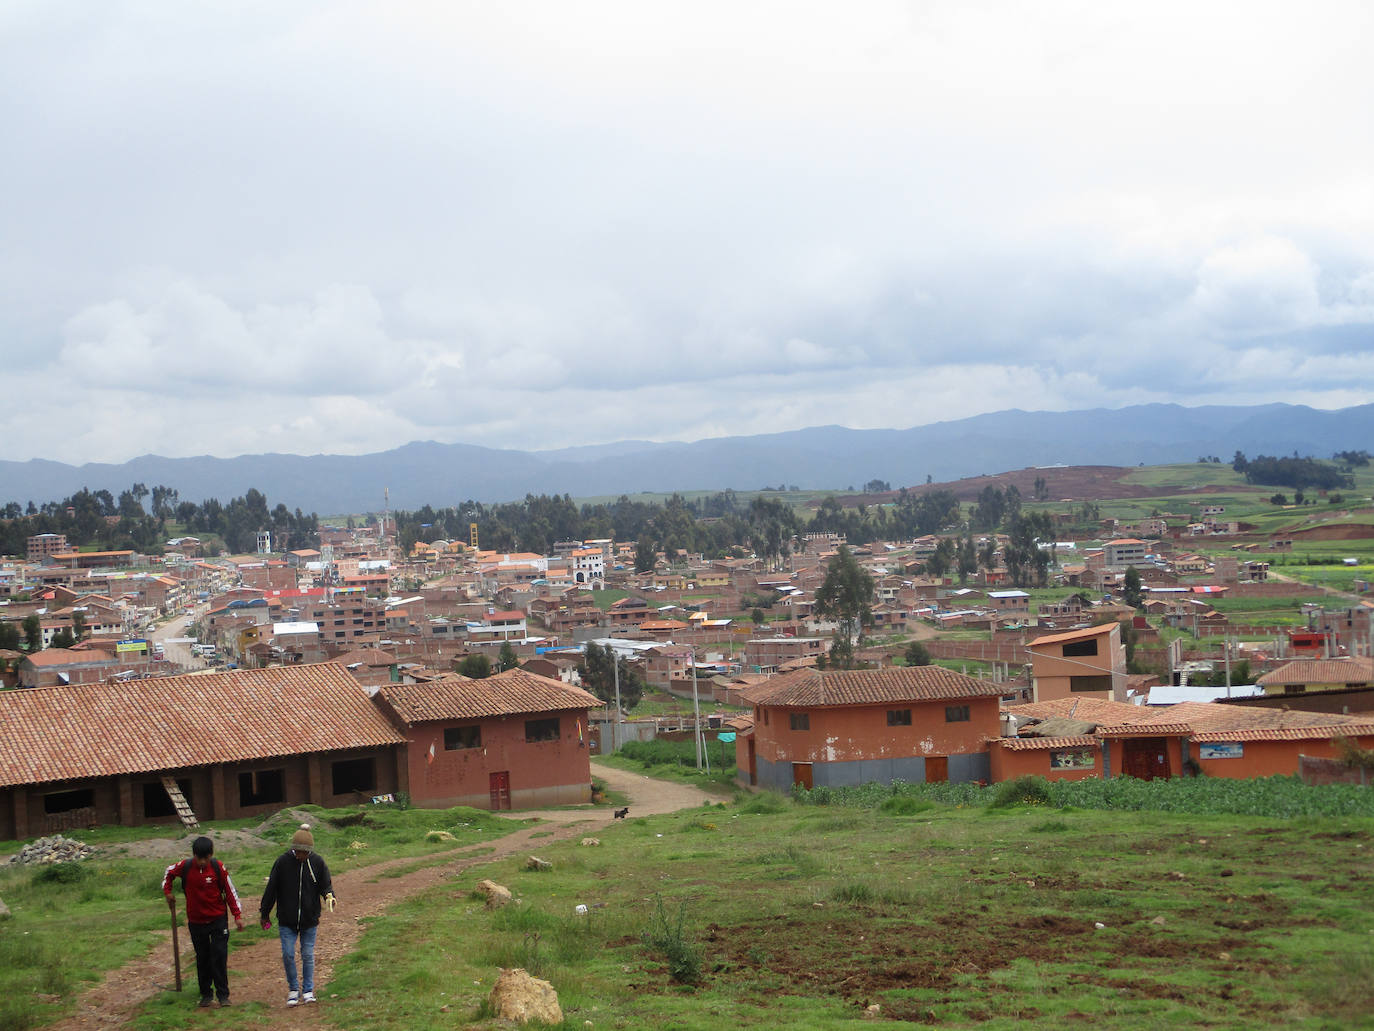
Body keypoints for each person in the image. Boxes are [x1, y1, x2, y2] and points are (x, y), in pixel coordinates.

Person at [162, 835, 245, 1008]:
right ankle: (206, 994)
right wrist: (168, 891)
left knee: (219, 957)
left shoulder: (218, 868)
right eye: (198, 858)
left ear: (210, 855)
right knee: (202, 958)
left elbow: (230, 892)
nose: (201, 862)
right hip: (196, 922)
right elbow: (168, 872)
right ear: (194, 855)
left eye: (204, 859)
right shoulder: (184, 866)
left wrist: (237, 916)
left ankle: (223, 995)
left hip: (218, 920)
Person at [259, 825, 336, 1006]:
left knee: (307, 954)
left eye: (306, 852)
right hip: (287, 919)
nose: (302, 856)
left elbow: (325, 885)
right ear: (294, 849)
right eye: (299, 852)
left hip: (310, 919)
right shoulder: (282, 863)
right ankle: (294, 989)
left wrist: (329, 896)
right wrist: (265, 913)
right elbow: (271, 889)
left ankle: (308, 990)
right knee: (288, 954)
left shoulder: (317, 862)